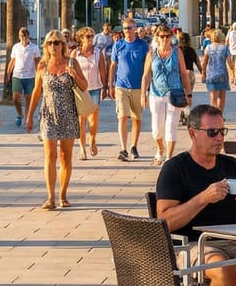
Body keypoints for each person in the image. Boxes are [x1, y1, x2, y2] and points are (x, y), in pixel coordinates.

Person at [156, 104, 236, 285]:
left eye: (222, 132)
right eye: (212, 132)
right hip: (194, 244)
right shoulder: (175, 168)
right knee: (224, 268)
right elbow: (164, 222)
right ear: (193, 133)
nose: (219, 138)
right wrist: (203, 199)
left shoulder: (232, 165)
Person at [25, 30, 88, 209]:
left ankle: (63, 195)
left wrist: (74, 75)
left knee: (65, 157)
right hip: (48, 115)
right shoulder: (42, 66)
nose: (53, 46)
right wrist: (29, 116)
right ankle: (50, 197)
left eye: (56, 42)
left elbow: (84, 86)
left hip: (68, 114)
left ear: (63, 44)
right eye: (50, 43)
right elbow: (37, 92)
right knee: (50, 156)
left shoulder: (72, 62)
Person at [141, 24, 191, 165]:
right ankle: (160, 149)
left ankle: (169, 157)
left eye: (167, 36)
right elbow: (146, 76)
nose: (165, 39)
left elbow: (184, 73)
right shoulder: (151, 54)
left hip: (175, 93)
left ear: (171, 37)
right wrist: (143, 94)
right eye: (162, 36)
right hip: (156, 93)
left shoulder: (177, 52)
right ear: (156, 37)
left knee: (171, 125)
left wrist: (189, 93)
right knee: (156, 128)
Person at [109, 18, 149, 162]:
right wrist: (110, 85)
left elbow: (147, 67)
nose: (127, 31)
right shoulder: (118, 45)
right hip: (121, 86)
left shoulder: (143, 45)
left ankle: (134, 146)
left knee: (136, 118)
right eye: (125, 28)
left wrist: (146, 89)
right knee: (122, 116)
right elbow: (113, 65)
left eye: (130, 28)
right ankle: (123, 148)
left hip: (138, 86)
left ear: (135, 29)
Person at [71, 26, 107, 160]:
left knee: (93, 120)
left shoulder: (98, 52)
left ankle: (92, 139)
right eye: (88, 36)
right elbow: (69, 71)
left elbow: (103, 71)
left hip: (95, 88)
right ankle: (82, 148)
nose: (91, 39)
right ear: (81, 38)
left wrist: (105, 88)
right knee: (81, 121)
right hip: (80, 90)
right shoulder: (75, 53)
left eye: (92, 36)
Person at [5, 27, 41, 127]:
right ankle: (20, 114)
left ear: (28, 36)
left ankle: (27, 117)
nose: (23, 37)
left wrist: (39, 75)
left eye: (25, 35)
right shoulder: (16, 47)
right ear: (19, 36)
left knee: (29, 98)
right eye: (21, 36)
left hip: (30, 76)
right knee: (15, 98)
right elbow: (12, 61)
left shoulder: (34, 47)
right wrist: (8, 74)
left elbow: (38, 62)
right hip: (17, 76)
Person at [201, 28, 231, 113]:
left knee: (213, 96)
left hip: (211, 74)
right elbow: (230, 62)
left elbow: (205, 62)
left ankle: (213, 115)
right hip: (222, 74)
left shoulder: (208, 47)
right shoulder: (225, 48)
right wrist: (233, 70)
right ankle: (220, 114)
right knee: (221, 96)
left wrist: (203, 73)